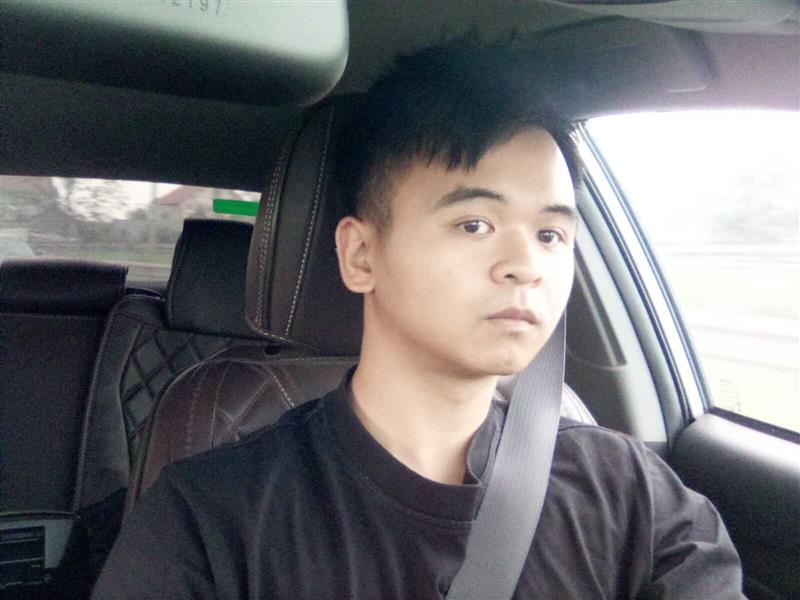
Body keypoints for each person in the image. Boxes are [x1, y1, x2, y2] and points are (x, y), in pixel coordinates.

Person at [92, 42, 744, 599]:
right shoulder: (209, 522)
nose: (526, 265)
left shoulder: (629, 494)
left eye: (550, 234)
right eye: (475, 224)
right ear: (361, 254)